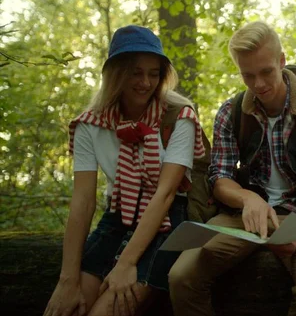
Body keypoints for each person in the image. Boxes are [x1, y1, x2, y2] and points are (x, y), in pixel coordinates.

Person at [168, 21, 296, 316]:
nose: (259, 84)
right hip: (243, 217)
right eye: (247, 75)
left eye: (266, 72)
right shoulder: (231, 111)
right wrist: (248, 199)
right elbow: (220, 178)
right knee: (181, 276)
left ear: (281, 61)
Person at [43, 25, 205, 316]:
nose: (145, 82)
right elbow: (83, 201)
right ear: (116, 73)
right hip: (116, 218)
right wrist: (66, 280)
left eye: (154, 73)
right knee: (68, 307)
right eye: (135, 72)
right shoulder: (89, 125)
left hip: (166, 222)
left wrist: (126, 263)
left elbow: (166, 194)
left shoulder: (179, 117)